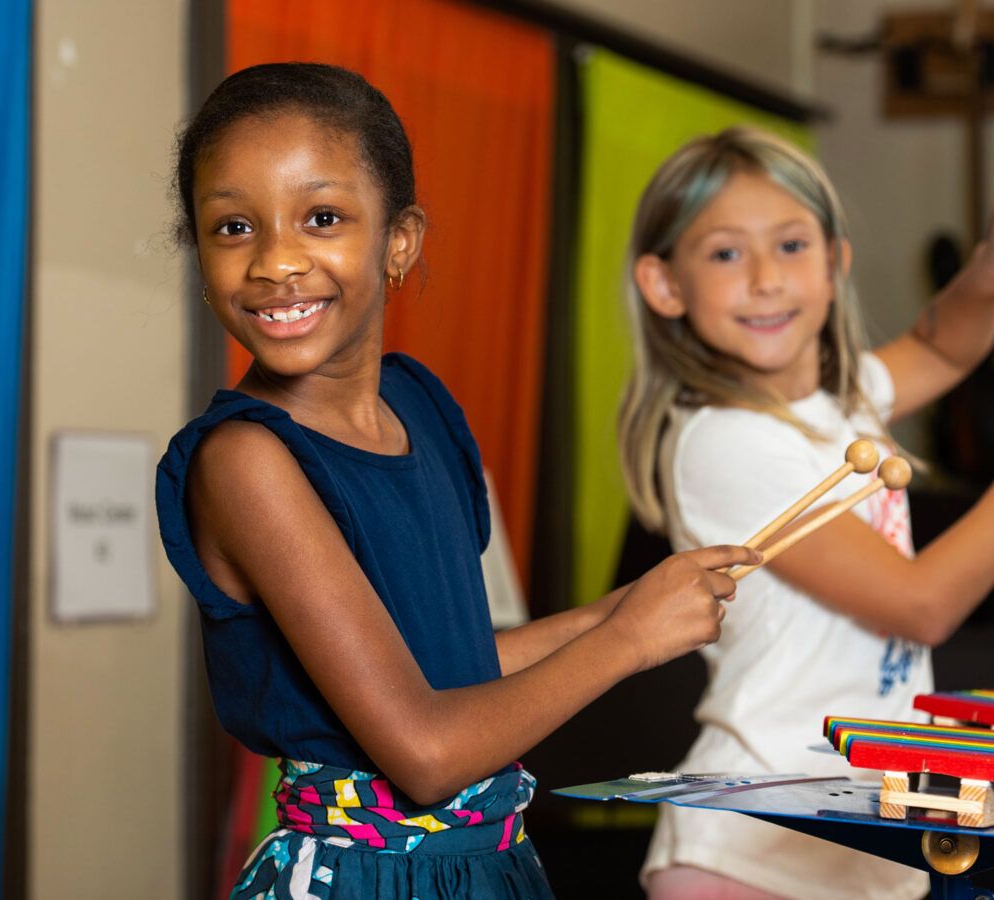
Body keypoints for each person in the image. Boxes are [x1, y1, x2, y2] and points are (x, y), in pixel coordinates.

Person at [155, 62, 760, 899]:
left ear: (399, 240)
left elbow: (450, 669)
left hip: (487, 864)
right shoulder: (247, 461)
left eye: (322, 217)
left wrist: (619, 609)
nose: (275, 261)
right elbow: (427, 751)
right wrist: (628, 642)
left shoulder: (421, 408)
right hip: (358, 879)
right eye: (233, 228)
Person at [619, 126, 994, 899]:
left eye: (791, 246)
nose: (764, 279)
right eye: (725, 253)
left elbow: (945, 348)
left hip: (854, 834)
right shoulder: (726, 441)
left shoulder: (838, 405)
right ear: (664, 286)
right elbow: (922, 605)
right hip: (751, 846)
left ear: (834, 263)